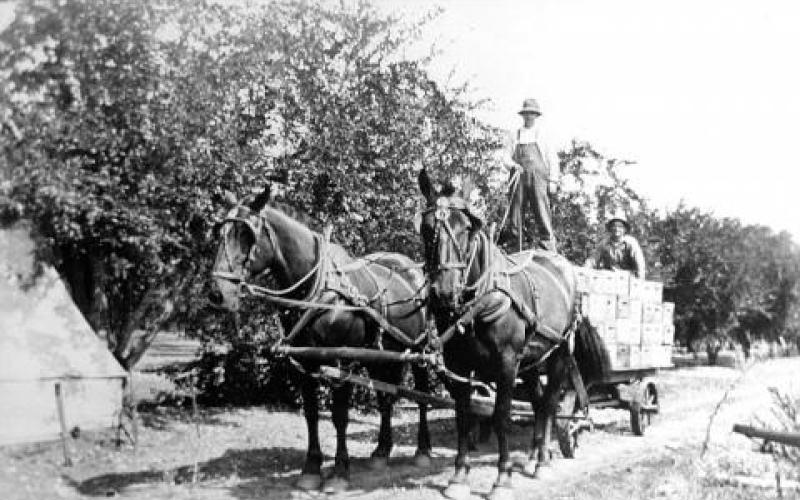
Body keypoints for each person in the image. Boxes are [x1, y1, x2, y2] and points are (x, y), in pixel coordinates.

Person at [503, 98, 558, 251]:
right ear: (523, 115)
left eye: (532, 114)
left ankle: (547, 245)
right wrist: (514, 165)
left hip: (538, 177)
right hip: (518, 176)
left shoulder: (543, 134)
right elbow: (505, 157)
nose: (529, 117)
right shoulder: (514, 134)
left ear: (536, 115)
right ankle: (515, 246)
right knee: (515, 212)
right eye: (526, 114)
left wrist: (553, 181)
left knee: (541, 209)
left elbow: (552, 158)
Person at [586, 213, 646, 278]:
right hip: (609, 276)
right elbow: (593, 260)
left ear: (624, 229)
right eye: (614, 226)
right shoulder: (604, 243)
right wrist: (585, 270)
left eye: (620, 226)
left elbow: (640, 263)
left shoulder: (631, 242)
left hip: (627, 277)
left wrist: (640, 280)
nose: (617, 229)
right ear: (610, 228)